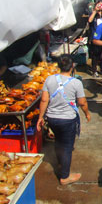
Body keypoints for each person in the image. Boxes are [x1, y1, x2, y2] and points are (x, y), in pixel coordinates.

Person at [36, 55, 91, 185]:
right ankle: (65, 176)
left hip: (52, 118)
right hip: (67, 120)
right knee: (67, 147)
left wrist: (40, 117)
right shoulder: (76, 83)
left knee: (59, 142)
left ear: (59, 66)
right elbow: (82, 102)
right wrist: (87, 113)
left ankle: (61, 163)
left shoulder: (49, 80)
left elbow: (44, 100)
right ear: (72, 66)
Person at [88, 1, 102, 77]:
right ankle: (94, 70)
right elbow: (89, 20)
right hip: (95, 38)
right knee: (95, 56)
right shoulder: (94, 14)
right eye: (99, 5)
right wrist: (95, 11)